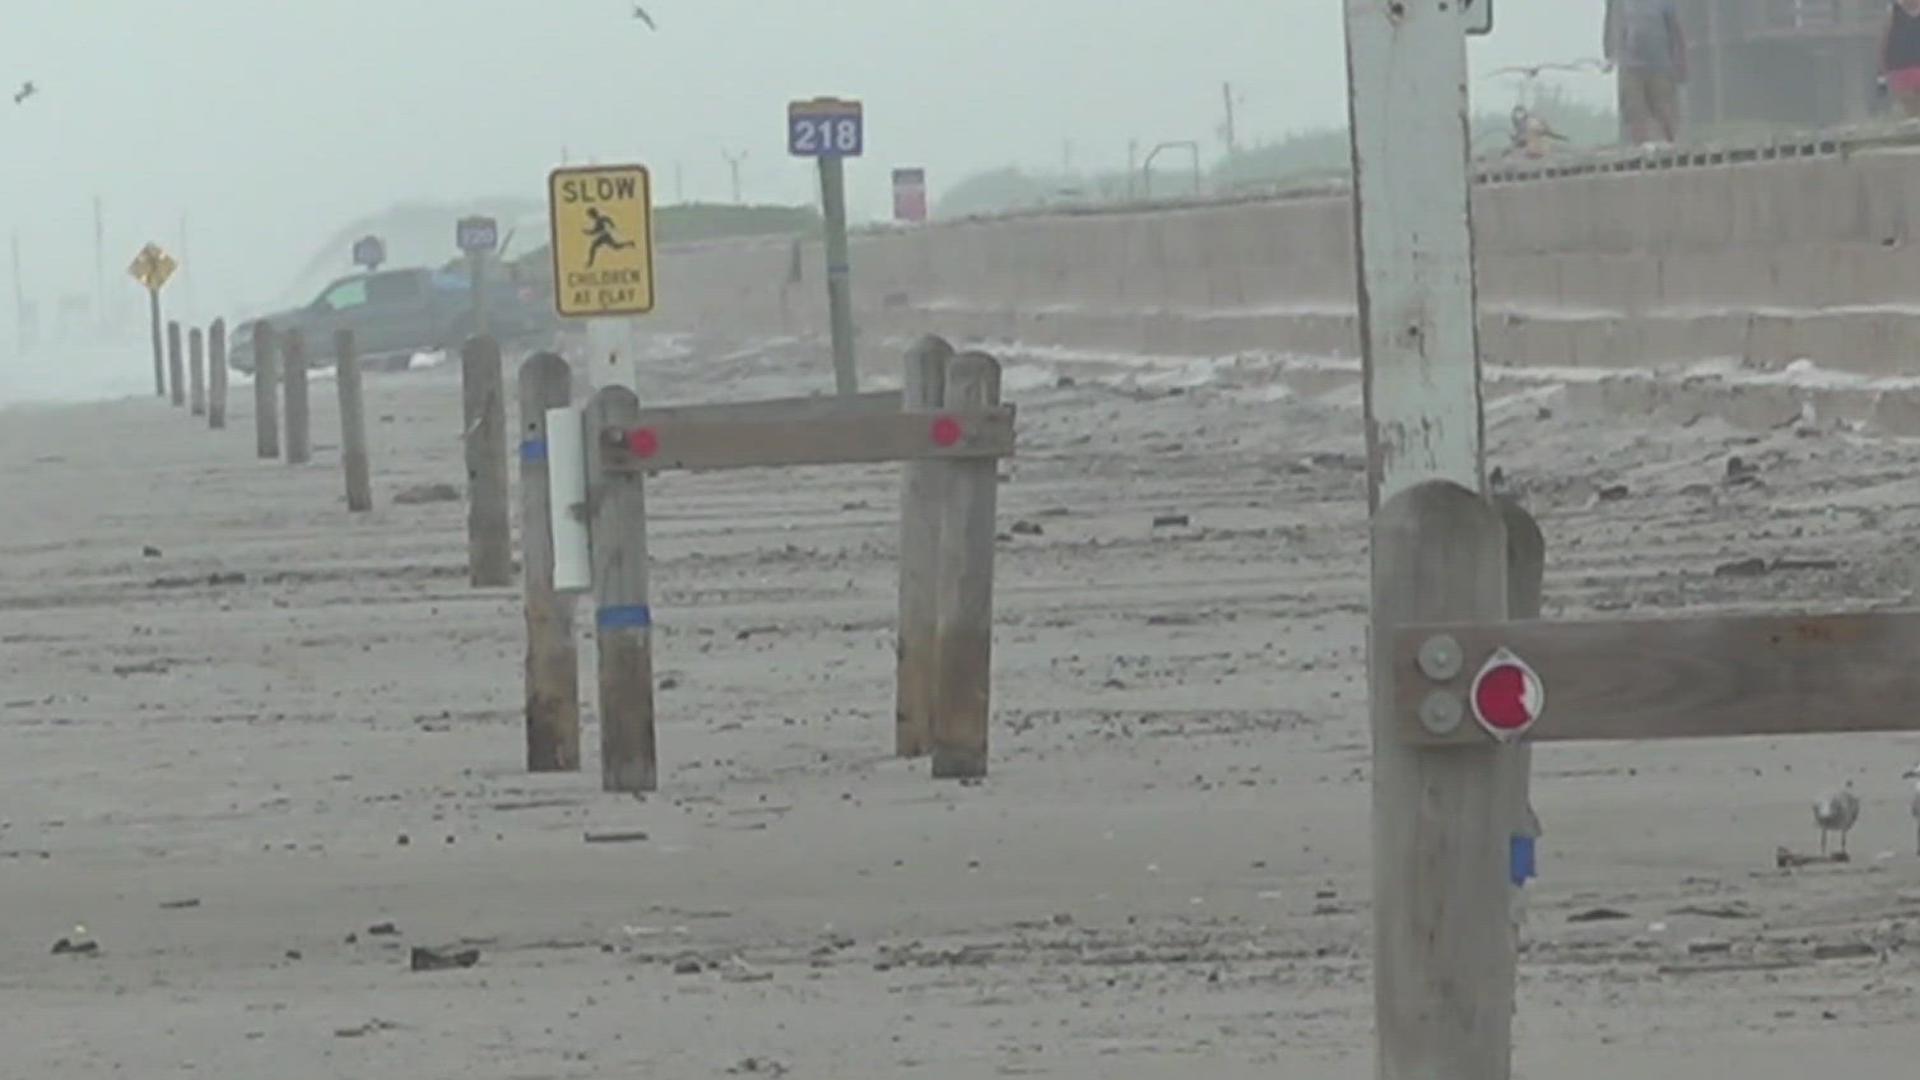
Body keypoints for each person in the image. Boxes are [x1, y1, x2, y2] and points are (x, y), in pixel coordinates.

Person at [1603, 0, 1687, 145]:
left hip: (1660, 64)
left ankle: (1672, 144)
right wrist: (1610, 55)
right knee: (1634, 109)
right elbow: (1612, 26)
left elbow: (1675, 32)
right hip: (1630, 65)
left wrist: (1681, 62)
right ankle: (1640, 148)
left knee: (1664, 108)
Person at [1882, 0, 1920, 119]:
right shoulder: (1893, 11)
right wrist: (1884, 68)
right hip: (1899, 68)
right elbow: (1884, 41)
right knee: (1910, 107)